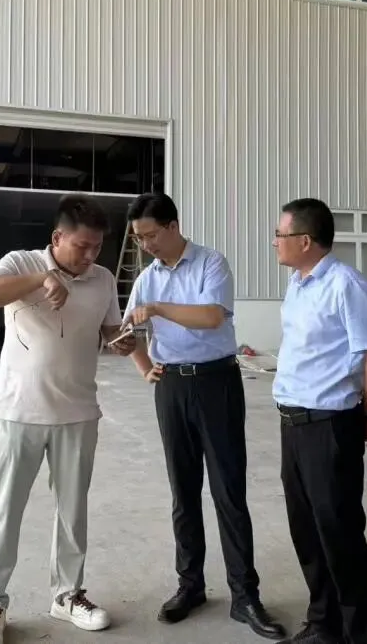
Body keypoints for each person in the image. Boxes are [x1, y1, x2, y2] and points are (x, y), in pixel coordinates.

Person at [0, 194, 136, 644]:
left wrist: (121, 341)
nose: (90, 255)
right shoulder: (20, 262)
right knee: (5, 510)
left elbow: (109, 330)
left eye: (97, 247)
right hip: (19, 411)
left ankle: (67, 595)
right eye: (82, 246)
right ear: (57, 237)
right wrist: (42, 278)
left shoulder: (103, 279)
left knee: (72, 511)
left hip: (78, 413)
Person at [121, 192, 286, 641]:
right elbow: (128, 329)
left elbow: (212, 316)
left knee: (228, 490)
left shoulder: (212, 263)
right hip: (171, 385)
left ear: (173, 226)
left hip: (216, 383)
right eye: (139, 239)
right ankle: (190, 585)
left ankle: (244, 596)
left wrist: (157, 308)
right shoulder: (147, 277)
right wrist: (140, 362)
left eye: (150, 235)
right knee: (183, 490)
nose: (146, 245)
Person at [272, 198, 367, 644]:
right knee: (306, 531)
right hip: (293, 423)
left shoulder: (346, 285)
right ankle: (323, 624)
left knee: (339, 533)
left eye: (280, 234)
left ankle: (357, 633)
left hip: (329, 424)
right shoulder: (297, 284)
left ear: (305, 240)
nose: (275, 242)